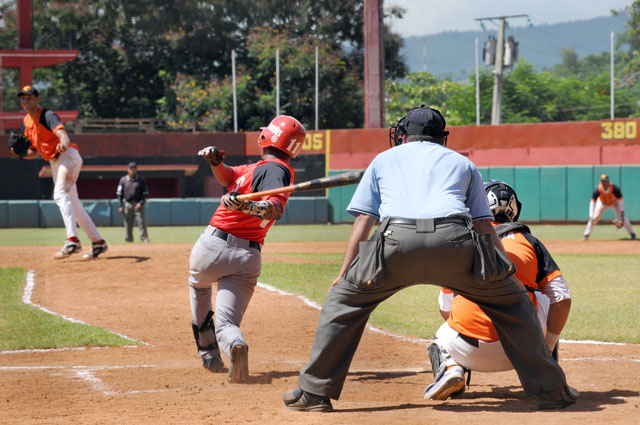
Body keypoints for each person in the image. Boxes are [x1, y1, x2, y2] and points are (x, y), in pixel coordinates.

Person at [282, 105, 578, 412]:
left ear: (404, 134)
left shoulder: (383, 160)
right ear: (443, 137)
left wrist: (344, 273)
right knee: (513, 303)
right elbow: (483, 225)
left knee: (342, 303)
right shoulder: (464, 164)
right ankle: (552, 390)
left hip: (394, 242)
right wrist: (507, 274)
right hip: (456, 242)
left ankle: (315, 392)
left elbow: (364, 222)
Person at [424, 180, 572, 401]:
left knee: (441, 334)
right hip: (525, 349)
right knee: (545, 300)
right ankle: (545, 377)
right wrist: (546, 349)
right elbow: (562, 298)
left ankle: (451, 368)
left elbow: (446, 307)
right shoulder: (529, 242)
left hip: (466, 349)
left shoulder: (460, 243)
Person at [188, 115, 305, 383]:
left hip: (213, 247)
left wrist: (245, 206)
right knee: (228, 324)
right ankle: (234, 345)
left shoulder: (275, 170)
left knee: (199, 286)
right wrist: (216, 163)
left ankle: (208, 353)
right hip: (247, 257)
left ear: (269, 137)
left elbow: (272, 208)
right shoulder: (260, 168)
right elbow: (229, 176)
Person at [10, 85, 108, 260]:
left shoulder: (47, 115)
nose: (25, 101)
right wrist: (22, 155)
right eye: (23, 98)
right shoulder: (27, 122)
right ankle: (98, 242)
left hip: (67, 155)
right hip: (55, 162)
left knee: (59, 194)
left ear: (37, 99)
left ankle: (72, 240)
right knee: (74, 205)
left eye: (29, 98)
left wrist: (63, 141)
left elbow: (63, 134)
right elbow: (35, 152)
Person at [583, 174, 635, 241]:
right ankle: (586, 235)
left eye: (605, 181)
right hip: (602, 203)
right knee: (594, 218)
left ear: (608, 182)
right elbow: (592, 202)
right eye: (602, 181)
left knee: (623, 219)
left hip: (614, 203)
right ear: (600, 182)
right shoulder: (597, 190)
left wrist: (621, 214)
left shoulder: (615, 189)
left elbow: (621, 201)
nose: (604, 183)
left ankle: (632, 234)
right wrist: (591, 215)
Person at [117, 161, 149, 243]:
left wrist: (141, 203)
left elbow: (144, 193)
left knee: (141, 223)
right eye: (130, 169)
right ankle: (129, 240)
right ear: (127, 169)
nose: (132, 170)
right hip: (128, 204)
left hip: (138, 204)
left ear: (136, 169)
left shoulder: (141, 180)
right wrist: (120, 206)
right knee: (128, 223)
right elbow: (120, 194)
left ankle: (144, 240)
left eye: (134, 169)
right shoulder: (123, 180)